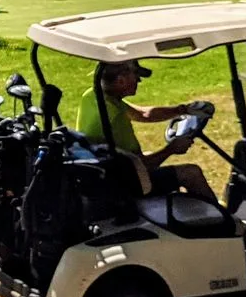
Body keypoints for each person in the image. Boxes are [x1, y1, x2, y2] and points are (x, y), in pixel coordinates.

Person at [76, 59, 221, 205]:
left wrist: (183, 110)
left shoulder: (96, 96)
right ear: (121, 80)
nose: (139, 80)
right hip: (124, 185)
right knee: (191, 173)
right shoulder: (113, 118)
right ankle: (224, 224)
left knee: (152, 156)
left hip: (110, 173)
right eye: (136, 75)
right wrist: (171, 149)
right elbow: (141, 167)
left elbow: (143, 114)